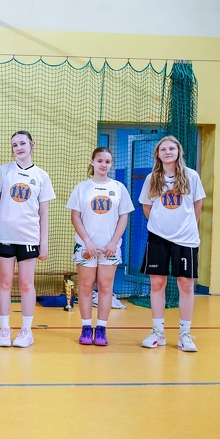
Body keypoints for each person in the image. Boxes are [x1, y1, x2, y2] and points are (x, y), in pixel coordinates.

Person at [0, 130, 55, 348]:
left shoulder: (42, 176)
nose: (18, 148)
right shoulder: (3, 171)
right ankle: (4, 330)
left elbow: (43, 213)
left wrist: (43, 243)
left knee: (26, 284)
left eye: (22, 143)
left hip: (29, 237)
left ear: (32, 145)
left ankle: (26, 331)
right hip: (5, 236)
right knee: (5, 282)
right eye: (15, 145)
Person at [139, 136, 205, 352]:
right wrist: (161, 226)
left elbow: (197, 206)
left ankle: (185, 334)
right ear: (158, 154)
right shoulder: (152, 178)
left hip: (186, 239)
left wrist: (185, 227)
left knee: (185, 284)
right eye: (163, 149)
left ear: (178, 152)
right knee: (157, 283)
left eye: (171, 148)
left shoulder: (191, 176)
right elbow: (147, 207)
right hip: (158, 238)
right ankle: (158, 332)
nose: (167, 152)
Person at [66, 147, 133, 346]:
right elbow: (75, 217)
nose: (104, 165)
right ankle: (86, 328)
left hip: (109, 248)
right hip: (86, 247)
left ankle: (102, 329)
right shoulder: (82, 188)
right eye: (100, 161)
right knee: (86, 287)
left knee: (105, 287)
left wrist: (113, 242)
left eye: (107, 161)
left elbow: (123, 217)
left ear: (111, 164)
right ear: (92, 162)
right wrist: (87, 241)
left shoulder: (119, 188)